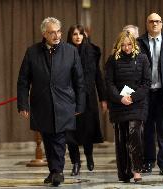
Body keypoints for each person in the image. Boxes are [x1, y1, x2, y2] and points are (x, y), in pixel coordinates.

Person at [17, 17, 85, 187]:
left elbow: (79, 81)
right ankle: (53, 170)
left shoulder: (71, 51)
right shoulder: (32, 52)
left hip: (64, 103)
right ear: (44, 34)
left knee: (60, 138)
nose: (56, 35)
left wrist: (80, 104)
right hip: (42, 103)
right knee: (48, 137)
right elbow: (23, 81)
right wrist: (23, 104)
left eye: (58, 31)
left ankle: (57, 171)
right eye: (52, 32)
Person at [105, 31, 151, 183]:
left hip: (137, 104)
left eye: (129, 44)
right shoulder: (112, 60)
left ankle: (137, 170)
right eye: (123, 45)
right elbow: (109, 84)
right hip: (119, 105)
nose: (126, 48)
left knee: (134, 134)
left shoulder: (142, 58)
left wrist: (132, 97)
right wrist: (120, 98)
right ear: (118, 45)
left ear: (134, 44)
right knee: (121, 137)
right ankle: (124, 172)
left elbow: (146, 83)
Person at [66, 24, 107, 176]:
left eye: (80, 34)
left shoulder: (92, 51)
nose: (78, 37)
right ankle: (75, 162)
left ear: (85, 35)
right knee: (70, 133)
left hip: (89, 97)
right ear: (70, 36)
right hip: (70, 98)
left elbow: (98, 76)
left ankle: (89, 156)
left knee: (88, 130)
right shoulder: (64, 51)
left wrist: (103, 98)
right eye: (74, 34)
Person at [137, 13, 163, 175]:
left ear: (162, 24)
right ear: (147, 24)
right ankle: (148, 161)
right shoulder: (139, 43)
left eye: (157, 21)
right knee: (147, 131)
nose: (154, 24)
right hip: (145, 93)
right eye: (151, 21)